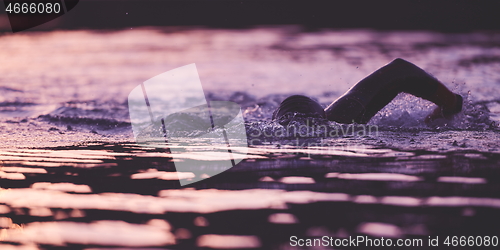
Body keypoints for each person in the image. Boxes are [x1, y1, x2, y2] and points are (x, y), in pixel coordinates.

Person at [272, 58, 463, 124]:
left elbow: (400, 69)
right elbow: (400, 68)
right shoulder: (342, 120)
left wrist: (451, 104)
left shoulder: (341, 119)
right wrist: (451, 104)